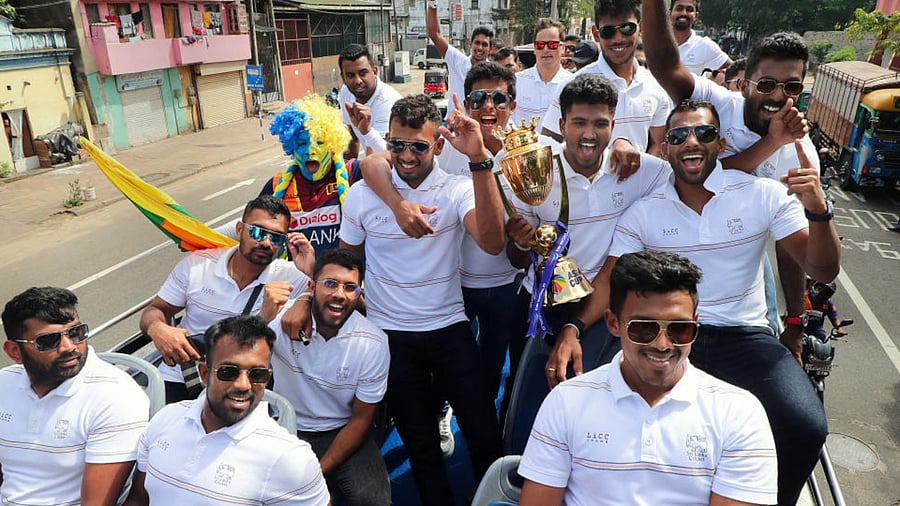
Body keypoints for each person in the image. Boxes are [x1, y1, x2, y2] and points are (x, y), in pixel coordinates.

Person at [571, 100, 841, 506]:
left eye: (704, 133)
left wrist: (819, 212)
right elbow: (610, 281)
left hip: (743, 337)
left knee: (804, 424)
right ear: (666, 149)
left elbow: (822, 269)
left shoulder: (763, 195)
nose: (691, 142)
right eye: (678, 135)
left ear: (722, 142)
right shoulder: (642, 213)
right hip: (668, 338)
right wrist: (572, 329)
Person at [339, 94, 505, 505]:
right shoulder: (363, 195)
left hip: (449, 328)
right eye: (397, 144)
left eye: (419, 146)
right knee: (421, 447)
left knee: (485, 436)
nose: (407, 156)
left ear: (439, 145)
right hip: (390, 339)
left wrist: (480, 159)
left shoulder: (456, 189)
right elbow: (346, 262)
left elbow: (492, 239)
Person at [642, 0, 819, 376]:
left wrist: (793, 323)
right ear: (743, 84)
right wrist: (772, 142)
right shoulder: (718, 104)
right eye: (767, 84)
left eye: (791, 86)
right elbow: (663, 63)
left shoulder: (803, 154)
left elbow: (792, 248)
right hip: (685, 243)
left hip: (745, 257)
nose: (778, 96)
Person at [518, 251, 777, 505]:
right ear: (613, 323)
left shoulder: (740, 413)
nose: (663, 345)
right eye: (643, 328)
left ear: (696, 324)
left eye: (680, 329)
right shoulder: (566, 402)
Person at [365, 62, 522, 414]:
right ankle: (442, 413)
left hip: (508, 281)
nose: (488, 106)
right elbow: (375, 163)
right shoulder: (447, 144)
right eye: (478, 98)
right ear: (465, 103)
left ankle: (502, 430)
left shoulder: (529, 149)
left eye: (499, 98)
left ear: (513, 103)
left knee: (495, 367)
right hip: (458, 284)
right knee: (452, 375)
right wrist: (399, 204)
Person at [506, 74, 669, 403]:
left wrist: (625, 145)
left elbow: (686, 177)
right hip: (540, 306)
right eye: (579, 122)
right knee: (525, 397)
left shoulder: (641, 170)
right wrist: (522, 242)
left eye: (600, 123)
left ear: (614, 124)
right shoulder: (534, 171)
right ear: (563, 124)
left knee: (597, 399)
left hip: (602, 306)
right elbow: (516, 259)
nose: (589, 134)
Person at [125, 315, 329, 505]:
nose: (243, 385)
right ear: (204, 374)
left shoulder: (289, 457)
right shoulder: (165, 419)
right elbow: (139, 499)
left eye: (257, 374)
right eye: (228, 372)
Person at [140, 196, 313, 402]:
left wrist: (311, 278)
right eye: (258, 232)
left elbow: (343, 303)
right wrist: (158, 329)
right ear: (240, 230)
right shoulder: (197, 265)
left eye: (276, 237)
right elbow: (156, 310)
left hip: (241, 385)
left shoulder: (291, 276)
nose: (266, 242)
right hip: (185, 377)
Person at [1, 287, 150, 506]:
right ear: (14, 351)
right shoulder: (4, 384)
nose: (69, 347)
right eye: (48, 341)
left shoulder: (115, 396)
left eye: (75, 333)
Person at [269, 249, 391, 505]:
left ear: (359, 295)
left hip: (341, 431)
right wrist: (264, 316)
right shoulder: (282, 320)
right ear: (312, 286)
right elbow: (240, 357)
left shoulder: (374, 343)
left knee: (373, 501)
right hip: (285, 429)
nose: (339, 294)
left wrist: (315, 473)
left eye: (350, 287)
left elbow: (361, 420)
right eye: (330, 284)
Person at [540, 0, 671, 156]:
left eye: (627, 29)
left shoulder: (654, 85)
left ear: (640, 28)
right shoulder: (572, 85)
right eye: (608, 32)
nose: (618, 39)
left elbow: (659, 143)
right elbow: (548, 144)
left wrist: (640, 172)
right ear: (596, 33)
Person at [264, 95, 362, 255]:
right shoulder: (276, 185)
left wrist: (367, 133)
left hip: (341, 276)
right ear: (292, 147)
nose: (310, 150)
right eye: (302, 143)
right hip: (296, 278)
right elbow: (254, 230)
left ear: (332, 145)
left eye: (320, 142)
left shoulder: (353, 173)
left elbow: (386, 168)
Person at [427, 1, 492, 119]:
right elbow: (435, 35)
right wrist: (432, 4)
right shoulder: (457, 60)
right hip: (453, 126)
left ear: (490, 48)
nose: (480, 48)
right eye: (477, 43)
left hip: (479, 128)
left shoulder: (493, 73)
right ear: (470, 44)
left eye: (484, 44)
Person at [338, 44, 403, 158]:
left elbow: (376, 156)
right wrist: (346, 172)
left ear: (375, 71)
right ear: (343, 78)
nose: (358, 81)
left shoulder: (388, 103)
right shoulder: (346, 92)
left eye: (363, 73)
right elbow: (352, 137)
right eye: (350, 75)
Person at [509, 19, 574, 128]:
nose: (545, 49)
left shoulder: (572, 83)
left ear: (562, 48)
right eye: (540, 45)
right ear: (534, 48)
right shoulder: (516, 81)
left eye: (552, 45)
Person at [669, 0, 731, 75]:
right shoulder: (655, 42)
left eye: (689, 10)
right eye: (679, 9)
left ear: (696, 16)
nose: (683, 13)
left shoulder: (705, 46)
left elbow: (734, 71)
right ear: (669, 13)